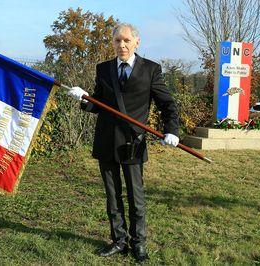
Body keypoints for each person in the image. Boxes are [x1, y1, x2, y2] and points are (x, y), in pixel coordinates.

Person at [67, 23, 179, 262]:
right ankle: (119, 241)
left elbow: (167, 104)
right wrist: (83, 98)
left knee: (136, 198)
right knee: (112, 195)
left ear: (137, 42)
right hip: (106, 141)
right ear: (113, 43)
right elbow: (99, 103)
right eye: (118, 40)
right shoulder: (104, 68)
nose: (122, 45)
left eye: (127, 40)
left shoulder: (151, 70)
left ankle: (139, 244)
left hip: (133, 143)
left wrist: (172, 131)